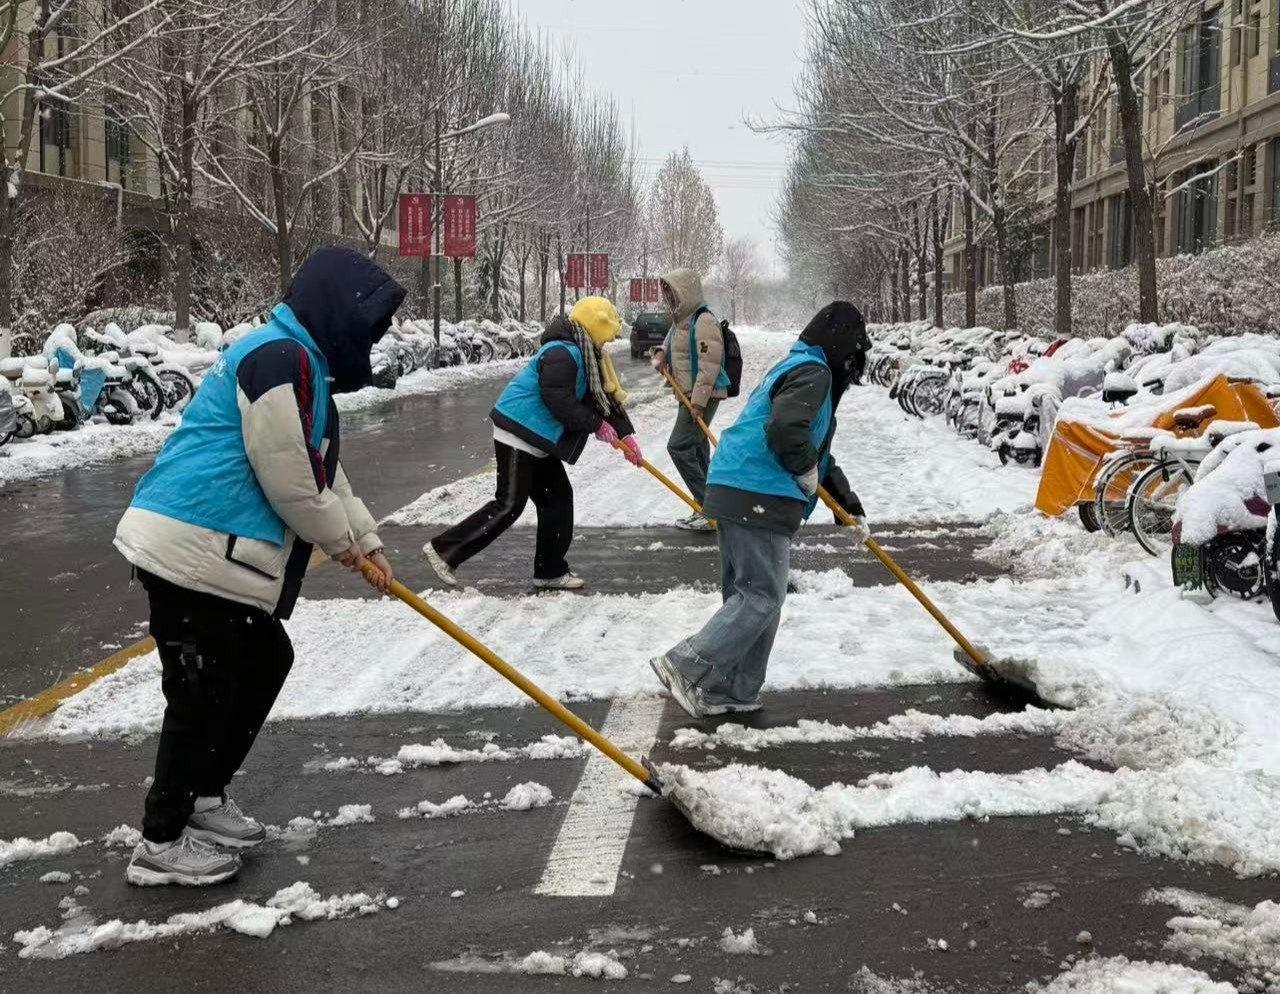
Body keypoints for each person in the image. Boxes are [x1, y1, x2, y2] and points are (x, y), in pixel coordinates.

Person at [113, 247, 405, 886]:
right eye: (369, 325)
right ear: (338, 311)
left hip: (208, 551)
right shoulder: (277, 359)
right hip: (188, 548)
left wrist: (367, 540)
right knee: (199, 693)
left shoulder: (301, 364)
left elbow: (322, 470)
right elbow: (290, 481)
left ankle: (203, 797)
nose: (372, 340)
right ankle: (160, 841)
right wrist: (342, 545)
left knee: (264, 659)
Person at [650, 302, 870, 718]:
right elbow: (786, 431)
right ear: (843, 350)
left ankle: (735, 690)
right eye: (852, 361)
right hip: (758, 491)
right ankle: (687, 663)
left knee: (752, 598)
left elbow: (818, 454)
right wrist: (803, 468)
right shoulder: (815, 372)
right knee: (762, 596)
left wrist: (849, 507)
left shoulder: (797, 367)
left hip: (734, 485)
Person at [423, 296, 642, 590]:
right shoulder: (562, 352)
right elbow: (558, 399)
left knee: (557, 500)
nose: (609, 340)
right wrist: (596, 425)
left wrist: (625, 435)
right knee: (509, 505)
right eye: (608, 333)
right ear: (595, 326)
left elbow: (602, 398)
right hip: (518, 432)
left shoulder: (587, 354)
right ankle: (444, 551)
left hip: (537, 438)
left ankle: (550, 571)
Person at [650, 268, 728, 531]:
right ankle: (709, 507)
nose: (670, 298)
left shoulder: (704, 320)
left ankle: (708, 509)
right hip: (688, 395)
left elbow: (709, 365)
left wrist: (698, 403)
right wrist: (661, 353)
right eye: (667, 293)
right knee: (697, 449)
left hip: (701, 396)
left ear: (686, 291)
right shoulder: (681, 321)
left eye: (673, 292)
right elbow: (671, 341)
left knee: (679, 446)